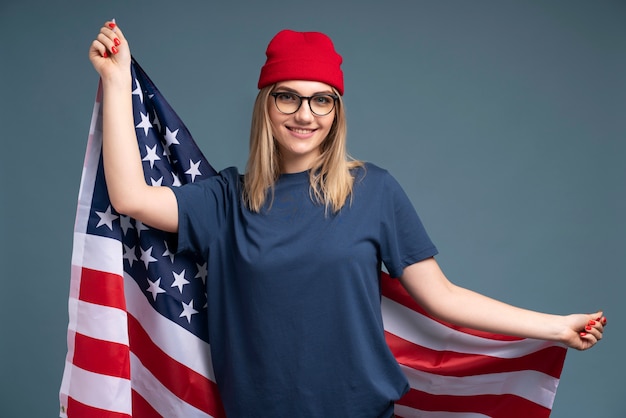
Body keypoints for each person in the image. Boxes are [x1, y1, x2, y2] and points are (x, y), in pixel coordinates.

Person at [89, 21, 606, 418]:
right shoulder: (225, 199)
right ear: (266, 106)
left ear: (336, 111)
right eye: (288, 96)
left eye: (321, 100)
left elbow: (443, 297)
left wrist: (557, 327)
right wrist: (116, 80)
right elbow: (131, 196)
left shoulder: (373, 191)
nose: (305, 114)